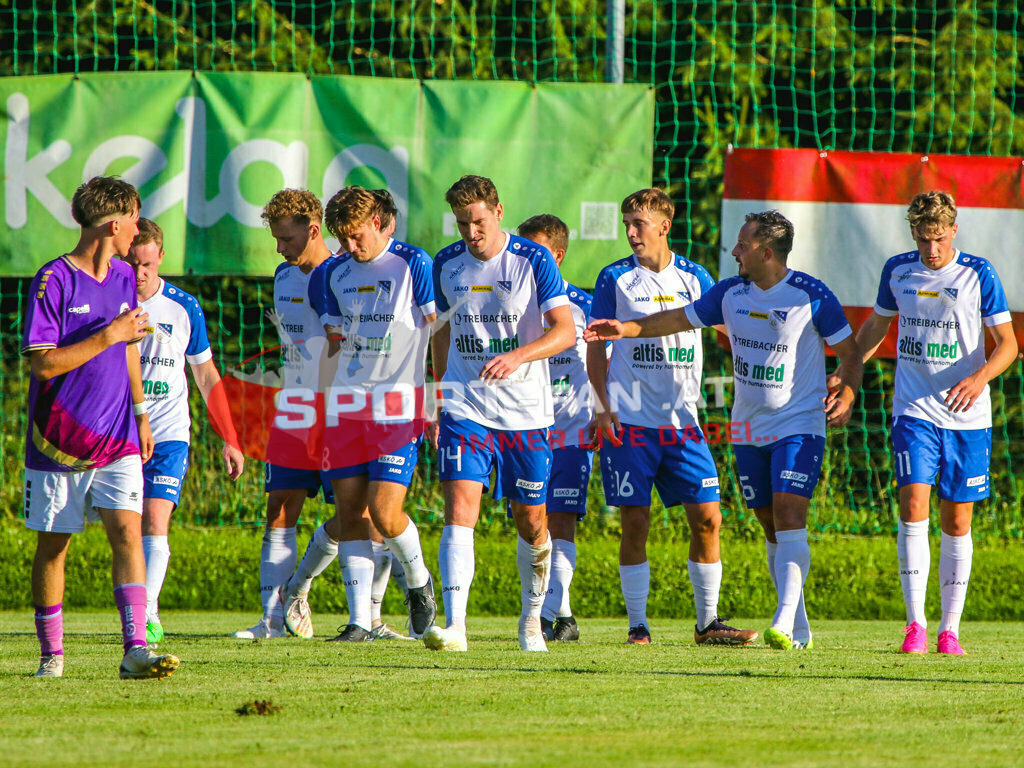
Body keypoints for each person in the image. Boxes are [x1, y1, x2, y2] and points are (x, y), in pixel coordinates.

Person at [589, 209, 863, 649]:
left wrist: (847, 393)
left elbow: (850, 351)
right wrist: (627, 327)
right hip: (747, 429)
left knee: (788, 516)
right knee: (771, 524)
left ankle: (782, 619)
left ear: (766, 252)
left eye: (742, 245)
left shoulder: (811, 295)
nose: (734, 251)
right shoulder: (730, 292)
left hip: (799, 425)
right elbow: (677, 319)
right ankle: (800, 626)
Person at [21, 175, 179, 679]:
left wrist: (140, 413)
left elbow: (130, 344)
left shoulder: (124, 278)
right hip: (59, 441)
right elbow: (41, 365)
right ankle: (52, 655)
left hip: (119, 438)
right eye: (135, 219)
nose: (139, 229)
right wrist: (107, 334)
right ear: (115, 222)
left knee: (128, 535)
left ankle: (135, 649)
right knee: (54, 545)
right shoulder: (53, 280)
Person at [584, 188, 757, 646]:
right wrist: (603, 407)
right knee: (635, 522)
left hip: (684, 425)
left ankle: (708, 624)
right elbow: (596, 344)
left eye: (639, 223)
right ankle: (638, 626)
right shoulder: (614, 278)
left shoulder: (696, 276)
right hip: (631, 423)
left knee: (708, 519)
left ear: (665, 225)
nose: (630, 232)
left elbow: (729, 329)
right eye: (626, 224)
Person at [855, 191, 1017, 655]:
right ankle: (915, 626)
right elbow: (876, 327)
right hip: (914, 409)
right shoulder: (898, 270)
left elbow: (1006, 343)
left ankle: (950, 629)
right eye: (924, 239)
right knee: (912, 507)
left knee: (958, 518)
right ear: (913, 234)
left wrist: (979, 377)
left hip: (967, 416)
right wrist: (850, 371)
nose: (932, 249)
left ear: (954, 230)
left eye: (940, 238)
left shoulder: (978, 273)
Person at [424, 175, 576, 652]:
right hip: (466, 406)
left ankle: (532, 623)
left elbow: (566, 331)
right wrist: (439, 392)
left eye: (479, 221)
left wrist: (519, 355)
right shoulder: (445, 264)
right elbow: (440, 332)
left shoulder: (533, 260)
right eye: (462, 223)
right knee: (458, 509)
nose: (472, 233)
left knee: (531, 520)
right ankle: (456, 627)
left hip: (526, 413)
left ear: (499, 211)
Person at [282, 186, 437, 642]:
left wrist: (435, 394)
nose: (350, 247)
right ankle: (357, 623)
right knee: (351, 512)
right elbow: (331, 345)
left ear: (379, 222)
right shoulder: (330, 274)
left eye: (356, 236)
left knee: (385, 512)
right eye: (342, 239)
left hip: (398, 406)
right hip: (346, 406)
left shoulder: (415, 264)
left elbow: (435, 332)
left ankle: (419, 583)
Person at [124, 218, 246, 645]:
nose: (139, 274)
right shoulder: (110, 303)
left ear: (160, 258)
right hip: (119, 435)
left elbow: (207, 377)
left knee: (157, 521)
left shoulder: (183, 307)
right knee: (126, 529)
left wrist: (230, 438)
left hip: (170, 433)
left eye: (147, 265)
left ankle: (147, 615)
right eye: (131, 263)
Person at [232, 189, 337, 639]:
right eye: (276, 239)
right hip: (294, 410)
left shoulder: (343, 275)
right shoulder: (282, 274)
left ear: (314, 230)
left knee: (362, 517)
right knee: (279, 510)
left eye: (287, 239)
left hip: (340, 411)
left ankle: (302, 588)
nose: (280, 249)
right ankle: (272, 621)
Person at [517, 215, 593, 643]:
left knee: (561, 521)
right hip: (523, 428)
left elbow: (606, 364)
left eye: (536, 251)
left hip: (570, 432)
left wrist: (603, 411)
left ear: (557, 256)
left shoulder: (583, 305)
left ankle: (556, 613)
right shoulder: (511, 303)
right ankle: (557, 613)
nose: (525, 259)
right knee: (529, 520)